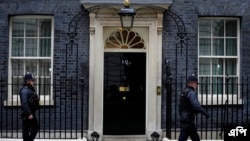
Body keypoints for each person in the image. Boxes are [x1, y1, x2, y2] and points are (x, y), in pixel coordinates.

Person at [178, 74, 209, 141]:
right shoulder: (191, 93)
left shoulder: (183, 92)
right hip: (188, 119)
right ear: (192, 83)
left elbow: (180, 106)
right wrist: (205, 113)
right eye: (196, 83)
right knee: (186, 137)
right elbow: (196, 106)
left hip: (185, 119)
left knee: (194, 137)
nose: (197, 85)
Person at [19, 72, 40, 141]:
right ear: (27, 81)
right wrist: (29, 113)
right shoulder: (25, 90)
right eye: (32, 80)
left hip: (31, 113)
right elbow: (24, 103)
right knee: (26, 132)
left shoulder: (29, 89)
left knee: (35, 127)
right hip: (27, 114)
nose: (33, 82)